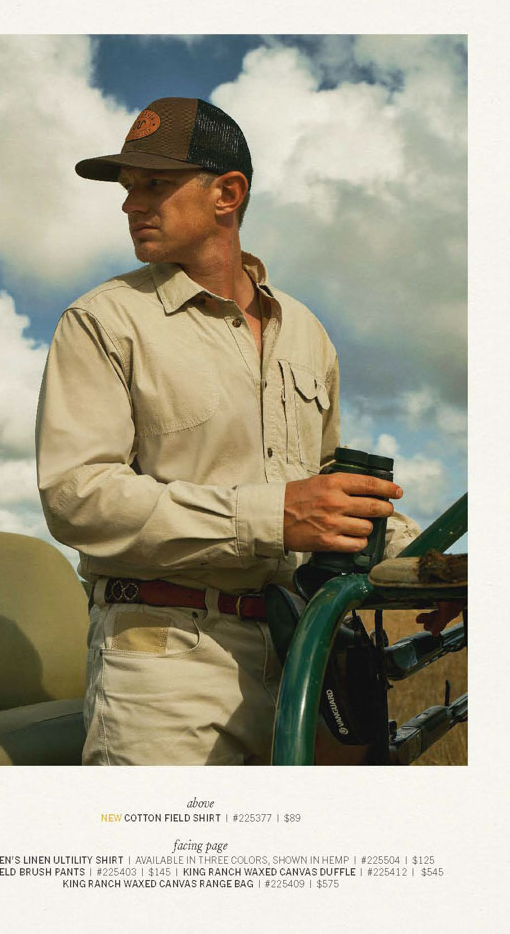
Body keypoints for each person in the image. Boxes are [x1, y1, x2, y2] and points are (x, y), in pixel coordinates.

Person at [34, 97, 409, 765]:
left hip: (305, 658)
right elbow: (76, 496)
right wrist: (273, 512)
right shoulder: (102, 322)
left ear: (227, 193)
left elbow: (333, 504)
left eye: (154, 184)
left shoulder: (307, 332)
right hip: (163, 668)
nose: (130, 205)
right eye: (127, 189)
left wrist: (436, 576)